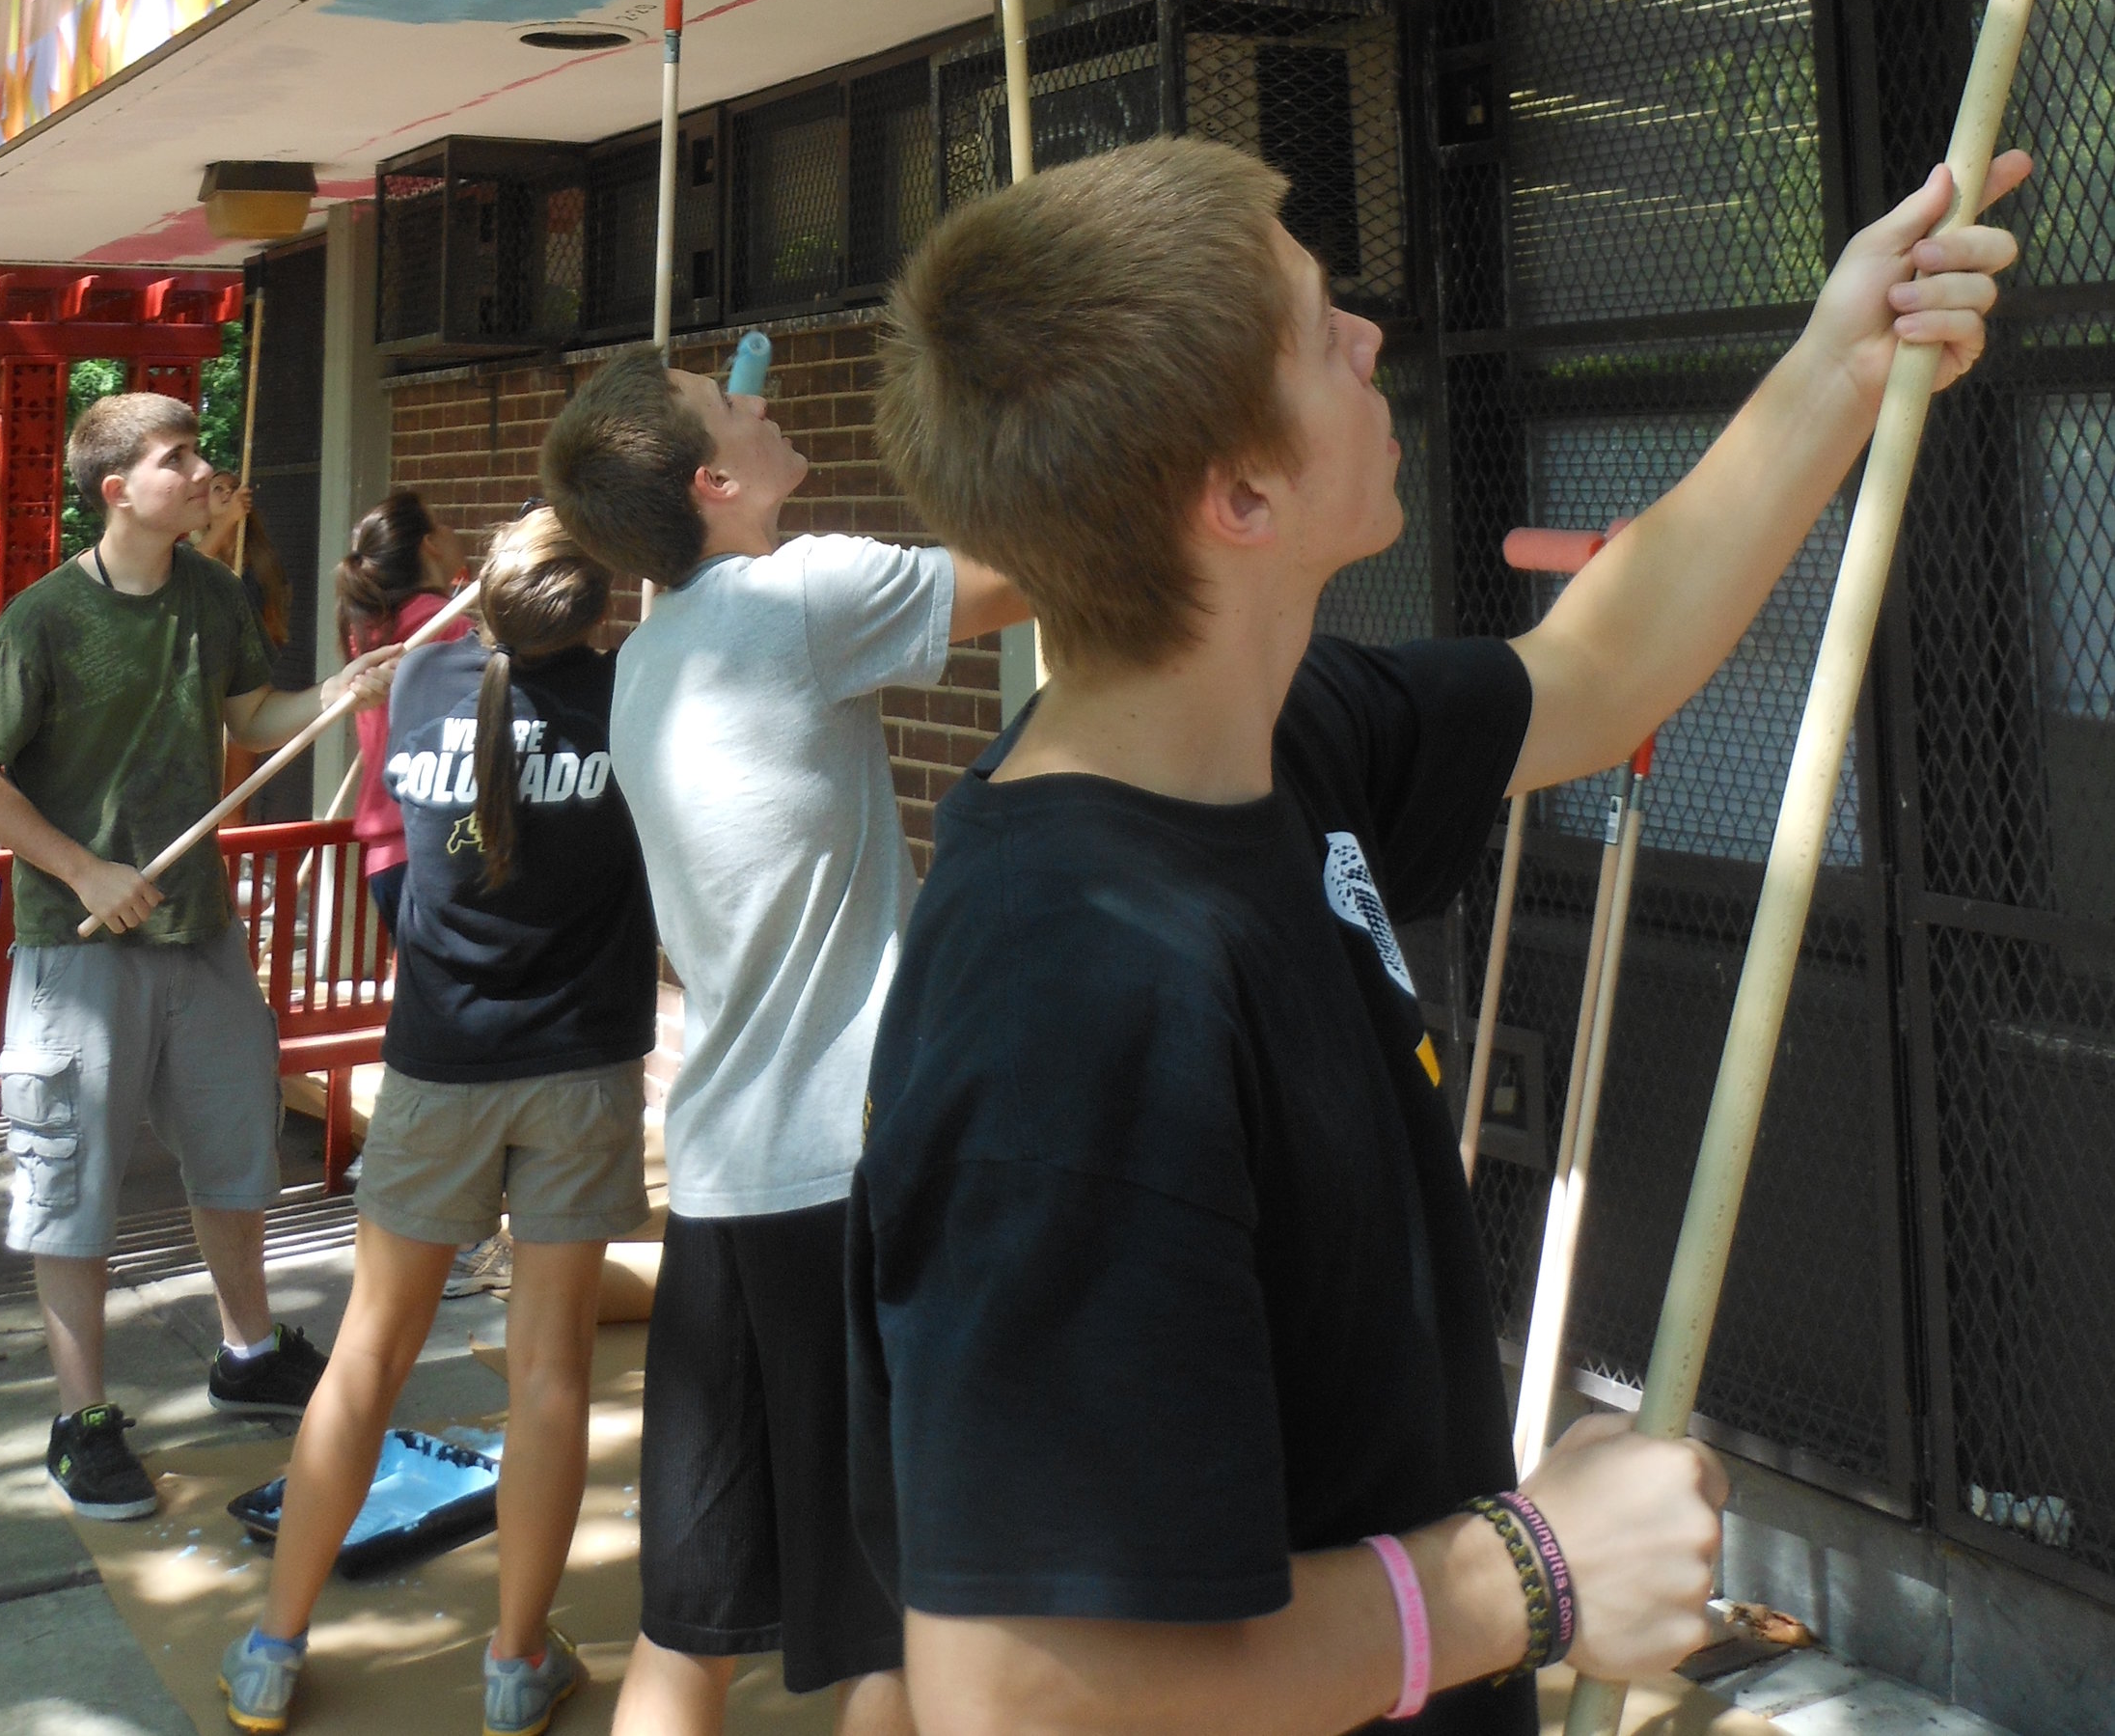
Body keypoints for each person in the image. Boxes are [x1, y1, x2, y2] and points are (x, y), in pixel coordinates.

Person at [850, 133, 2025, 1736]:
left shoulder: (1278, 727)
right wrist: (1531, 1574)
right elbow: (1020, 1689)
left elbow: (1599, 663)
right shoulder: (1068, 994)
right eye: (1320, 324)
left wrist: (1841, 356)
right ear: (1240, 492)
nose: (1370, 337)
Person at [539, 347, 1026, 1736]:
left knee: (688, 1628)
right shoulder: (804, 596)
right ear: (713, 478)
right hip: (845, 1177)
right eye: (732, 402)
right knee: (897, 1618)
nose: (760, 396)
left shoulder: (648, 664)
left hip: (723, 1183)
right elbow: (1051, 562)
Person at [220, 507, 659, 1736]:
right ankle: (516, 1669)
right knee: (549, 1370)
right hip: (577, 1074)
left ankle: (271, 1649)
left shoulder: (418, 679)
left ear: (478, 591)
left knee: (365, 1357)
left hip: (438, 1065)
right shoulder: (630, 695)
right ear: (596, 611)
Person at [0, 392, 398, 1522]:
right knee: (72, 1185)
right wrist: (83, 867)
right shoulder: (45, 618)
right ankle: (81, 1419)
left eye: (198, 453)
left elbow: (249, 712)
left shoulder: (213, 593)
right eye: (177, 459)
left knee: (236, 1155)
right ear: (118, 493)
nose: (203, 473)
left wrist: (332, 697)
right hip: (79, 944)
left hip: (199, 927)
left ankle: (246, 1351)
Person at [333, 489, 466, 933]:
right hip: (435, 846)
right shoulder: (447, 624)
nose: (451, 532)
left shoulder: (372, 628)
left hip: (385, 858)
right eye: (441, 523)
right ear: (428, 544)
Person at [198, 473, 294, 652]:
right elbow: (192, 569)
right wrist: (229, 518)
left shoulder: (261, 557)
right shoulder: (189, 547)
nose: (228, 493)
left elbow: (276, 611)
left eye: (234, 488)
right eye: (218, 488)